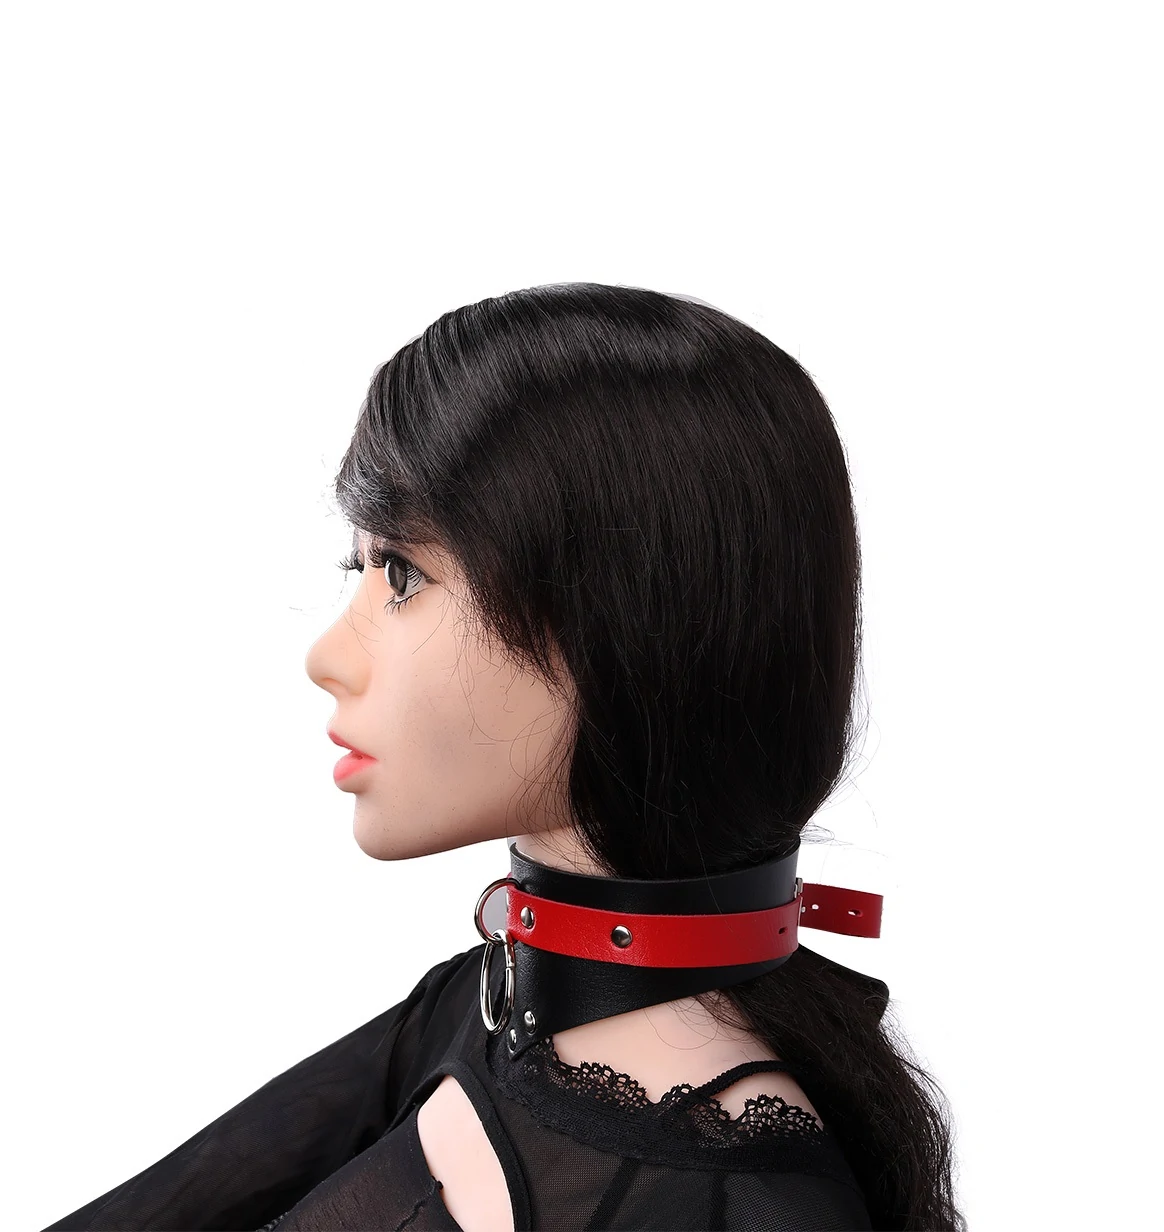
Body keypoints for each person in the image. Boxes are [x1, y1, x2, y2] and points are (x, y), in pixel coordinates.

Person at [43, 282, 965, 1231]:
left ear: (623, 619)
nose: (327, 655)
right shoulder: (484, 1006)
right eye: (361, 567)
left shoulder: (737, 1201)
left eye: (402, 573)